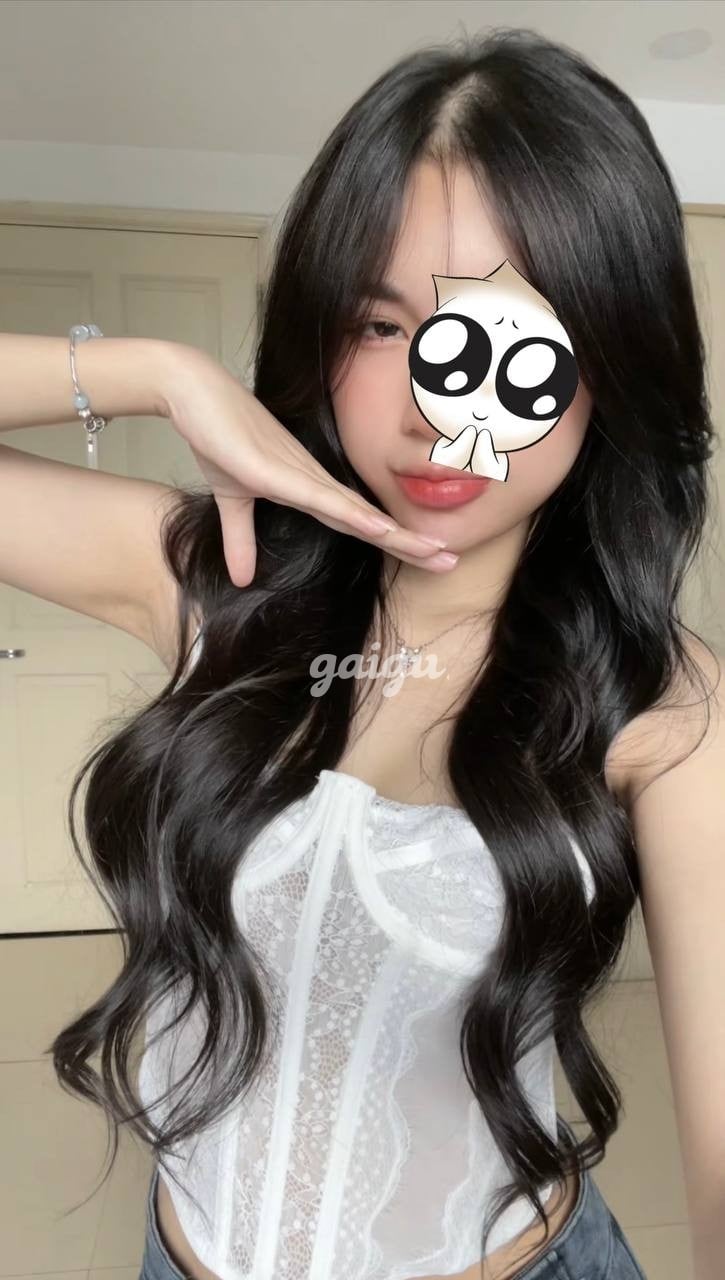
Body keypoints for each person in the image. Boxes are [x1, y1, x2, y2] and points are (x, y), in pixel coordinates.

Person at [2, 24, 723, 1280]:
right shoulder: (211, 580)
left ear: (606, 360)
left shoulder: (662, 704)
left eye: (513, 342)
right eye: (382, 325)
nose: (439, 408)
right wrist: (154, 371)